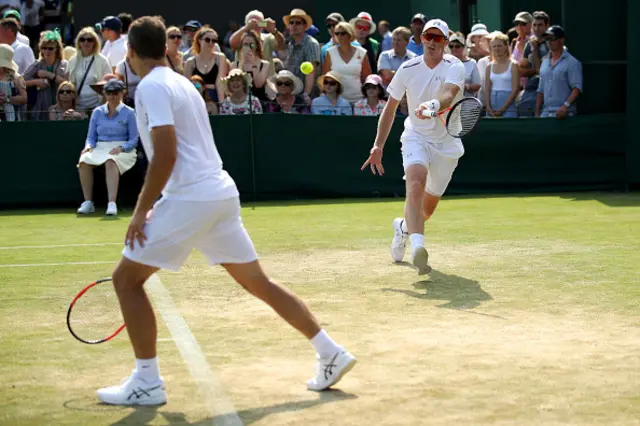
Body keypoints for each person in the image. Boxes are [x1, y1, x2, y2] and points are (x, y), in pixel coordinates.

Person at [95, 16, 356, 406]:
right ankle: (330, 351)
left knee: (125, 281)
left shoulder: (150, 87)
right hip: (218, 194)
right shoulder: (182, 82)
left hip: (192, 198)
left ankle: (147, 381)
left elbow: (166, 154)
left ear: (130, 52)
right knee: (259, 283)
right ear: (164, 48)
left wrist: (141, 210)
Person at [361, 19, 465, 275]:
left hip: (447, 143)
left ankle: (403, 229)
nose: (432, 41)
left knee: (426, 210)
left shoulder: (456, 66)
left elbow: (449, 95)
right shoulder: (407, 69)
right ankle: (419, 248)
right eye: (428, 36)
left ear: (445, 41)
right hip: (416, 136)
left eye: (438, 38)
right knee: (415, 182)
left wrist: (431, 107)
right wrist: (378, 146)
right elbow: (390, 109)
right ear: (421, 39)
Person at [77, 79, 138, 216]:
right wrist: (88, 147)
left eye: (115, 92)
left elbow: (134, 139)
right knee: (84, 161)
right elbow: (91, 137)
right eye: (109, 92)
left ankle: (111, 203)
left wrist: (121, 148)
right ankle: (88, 202)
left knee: (111, 161)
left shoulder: (130, 113)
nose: (112, 96)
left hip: (123, 149)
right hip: (100, 147)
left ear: (122, 93)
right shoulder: (97, 112)